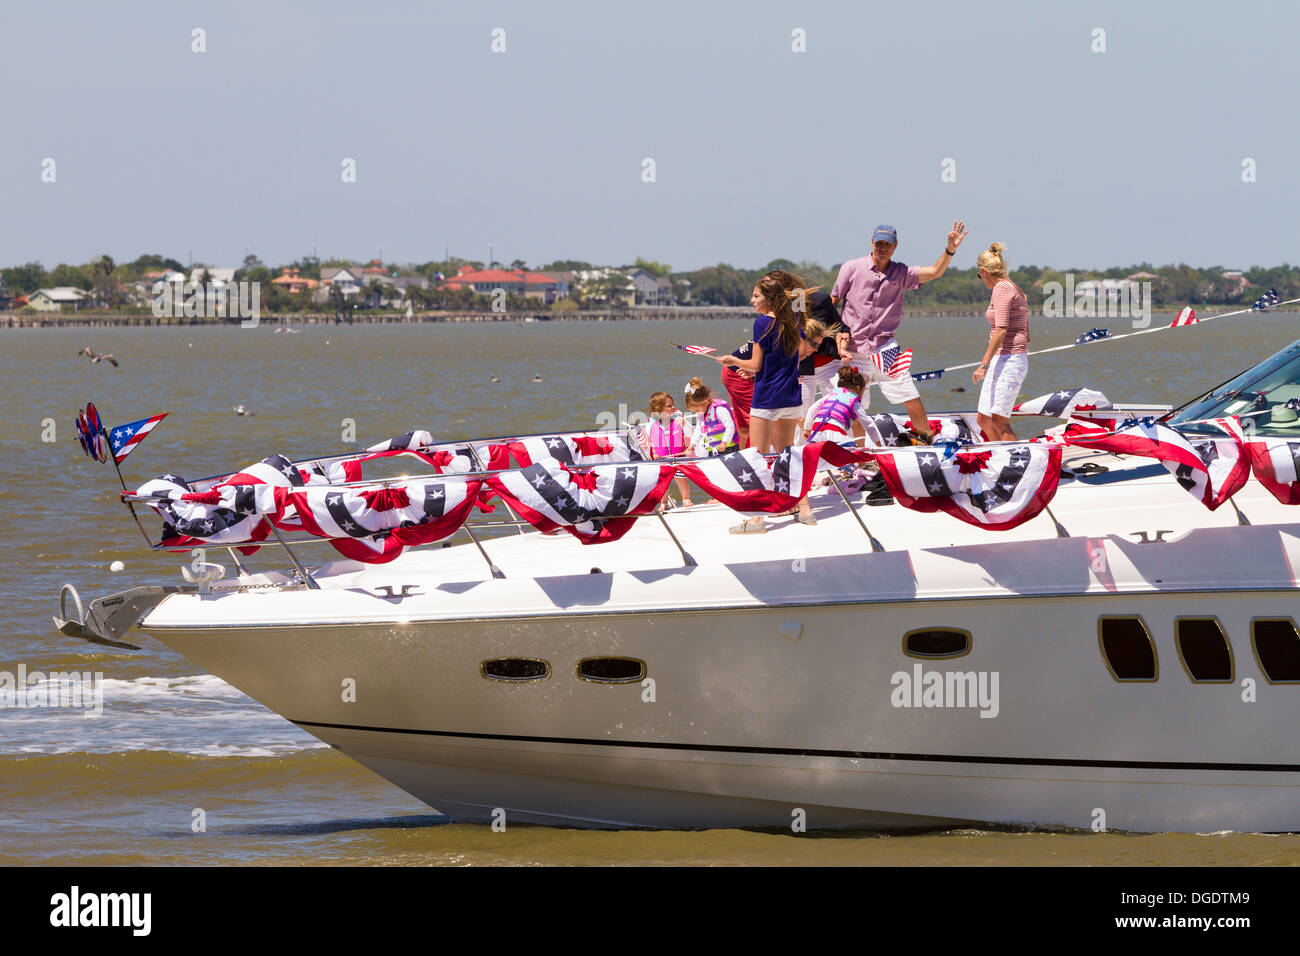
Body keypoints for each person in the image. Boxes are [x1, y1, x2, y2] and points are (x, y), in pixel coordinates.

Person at [831, 221, 970, 443]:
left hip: (885, 348)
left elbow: (935, 272)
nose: (883, 247)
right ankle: (860, 452)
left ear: (895, 246)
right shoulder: (851, 268)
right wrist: (835, 340)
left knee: (910, 396)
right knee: (853, 404)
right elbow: (833, 302)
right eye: (879, 243)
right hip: (853, 349)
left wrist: (950, 249)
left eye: (888, 244)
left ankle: (926, 442)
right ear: (872, 243)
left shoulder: (902, 272)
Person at [719, 277, 829, 532]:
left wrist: (733, 360)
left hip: (767, 398)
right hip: (791, 398)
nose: (752, 300)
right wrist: (763, 369)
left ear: (768, 299)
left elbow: (755, 364)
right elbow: (800, 352)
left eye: (756, 296)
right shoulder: (793, 322)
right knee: (788, 454)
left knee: (755, 456)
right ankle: (805, 510)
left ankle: (757, 519)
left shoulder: (761, 324)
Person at [972, 242, 1029, 441]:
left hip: (1009, 359)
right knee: (983, 419)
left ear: (983, 271)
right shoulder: (1013, 287)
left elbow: (1001, 329)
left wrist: (983, 364)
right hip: (1006, 357)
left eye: (980, 276)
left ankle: (1012, 465)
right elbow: (1025, 331)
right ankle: (999, 458)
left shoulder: (1001, 288)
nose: (981, 280)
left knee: (999, 420)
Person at [802, 366, 880, 445]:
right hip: (835, 434)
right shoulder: (855, 401)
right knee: (852, 452)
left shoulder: (833, 393)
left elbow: (812, 408)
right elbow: (868, 426)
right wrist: (879, 445)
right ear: (859, 387)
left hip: (816, 431)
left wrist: (807, 429)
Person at [646, 391, 694, 507]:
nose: (673, 407)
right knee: (663, 482)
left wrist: (684, 424)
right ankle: (664, 502)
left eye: (672, 405)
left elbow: (689, 433)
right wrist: (650, 454)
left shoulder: (679, 419)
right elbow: (648, 441)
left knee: (681, 478)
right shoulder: (651, 424)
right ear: (658, 409)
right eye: (669, 406)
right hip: (661, 458)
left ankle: (686, 499)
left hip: (678, 455)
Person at [683, 377, 739, 457]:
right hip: (713, 448)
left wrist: (724, 442)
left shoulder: (719, 410)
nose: (696, 413)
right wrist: (692, 445)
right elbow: (699, 429)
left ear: (705, 402)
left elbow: (730, 426)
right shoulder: (702, 413)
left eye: (697, 410)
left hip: (728, 447)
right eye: (694, 411)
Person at [720, 340, 754, 449]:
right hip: (738, 374)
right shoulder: (770, 333)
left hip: (737, 371)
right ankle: (753, 456)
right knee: (757, 416)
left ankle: (744, 453)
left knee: (745, 422)